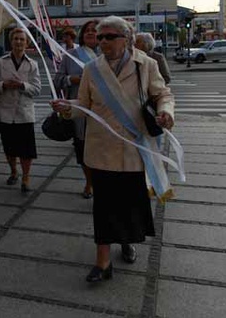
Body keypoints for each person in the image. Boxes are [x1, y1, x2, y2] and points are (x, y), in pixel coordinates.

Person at [50, 16, 174, 283]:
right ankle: (102, 262)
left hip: (133, 149)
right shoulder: (92, 69)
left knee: (129, 205)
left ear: (126, 39)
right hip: (101, 150)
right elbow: (83, 104)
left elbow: (163, 95)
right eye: (100, 36)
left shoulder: (146, 65)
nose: (102, 41)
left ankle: (126, 241)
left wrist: (165, 113)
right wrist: (66, 108)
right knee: (104, 207)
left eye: (109, 36)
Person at [0, 27, 41, 192]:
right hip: (6, 113)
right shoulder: (0, 62)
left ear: (27, 43)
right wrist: (3, 85)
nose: (18, 42)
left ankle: (25, 177)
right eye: (15, 39)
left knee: (26, 150)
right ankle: (13, 171)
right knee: (9, 148)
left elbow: (37, 89)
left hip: (25, 114)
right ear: (10, 42)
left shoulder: (32, 64)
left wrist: (22, 85)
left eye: (22, 39)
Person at [54, 20, 100, 198]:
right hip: (80, 112)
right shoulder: (71, 55)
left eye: (94, 31)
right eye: (87, 30)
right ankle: (89, 182)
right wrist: (71, 80)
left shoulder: (107, 54)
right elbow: (58, 79)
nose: (90, 33)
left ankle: (101, 182)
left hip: (103, 112)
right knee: (82, 149)